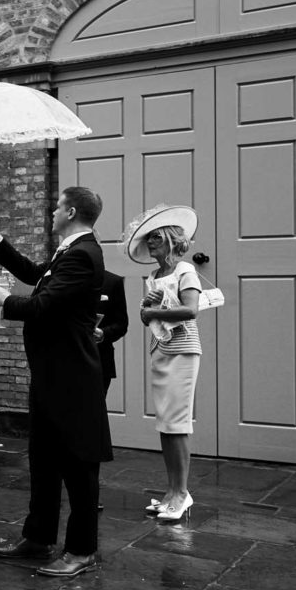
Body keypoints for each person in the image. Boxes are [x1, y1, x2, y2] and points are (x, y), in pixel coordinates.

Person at [0, 186, 113, 577]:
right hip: (51, 376)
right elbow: (38, 276)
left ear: (71, 211)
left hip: (73, 380)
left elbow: (42, 304)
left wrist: (3, 299)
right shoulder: (69, 252)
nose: (51, 213)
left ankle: (81, 550)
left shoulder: (83, 254)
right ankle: (38, 539)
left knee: (78, 468)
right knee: (43, 463)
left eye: (56, 207)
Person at [124, 205, 202, 522]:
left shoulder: (185, 270)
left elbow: (191, 310)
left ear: (170, 238)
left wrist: (153, 312)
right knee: (165, 425)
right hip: (160, 349)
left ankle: (181, 494)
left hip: (183, 351)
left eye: (155, 237)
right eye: (148, 238)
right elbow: (145, 315)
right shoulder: (154, 275)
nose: (150, 243)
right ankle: (171, 492)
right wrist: (147, 311)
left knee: (177, 424)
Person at [96, 270, 129, 398]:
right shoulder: (62, 278)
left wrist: (103, 333)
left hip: (99, 359)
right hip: (62, 361)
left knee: (95, 412)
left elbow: (121, 324)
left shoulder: (112, 281)